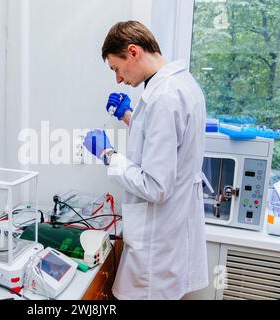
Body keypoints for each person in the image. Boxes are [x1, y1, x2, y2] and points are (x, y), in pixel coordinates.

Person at [83, 21, 209, 300]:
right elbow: (166, 145)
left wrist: (107, 155)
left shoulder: (163, 97)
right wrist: (129, 116)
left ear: (133, 51)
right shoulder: (182, 85)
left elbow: (155, 186)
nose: (118, 78)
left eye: (116, 68)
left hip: (157, 243)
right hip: (170, 234)